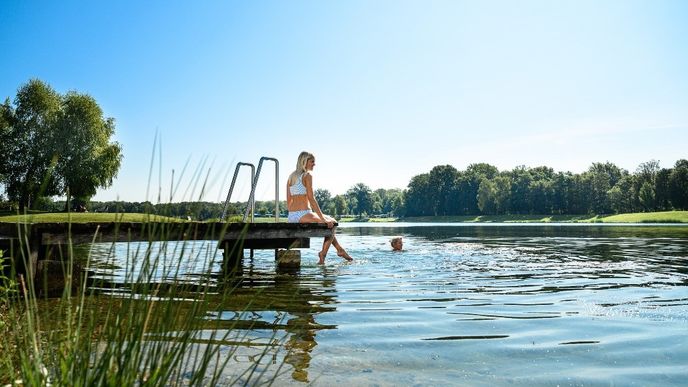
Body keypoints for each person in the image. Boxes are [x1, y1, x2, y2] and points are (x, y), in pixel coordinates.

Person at [286, 151, 353, 264]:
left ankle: (340, 250)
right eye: (312, 162)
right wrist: (322, 219)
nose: (314, 164)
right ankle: (323, 254)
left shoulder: (291, 177)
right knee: (332, 223)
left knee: (329, 222)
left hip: (292, 215)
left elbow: (288, 201)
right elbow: (312, 199)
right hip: (304, 214)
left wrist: (295, 214)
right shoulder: (307, 176)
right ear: (305, 162)